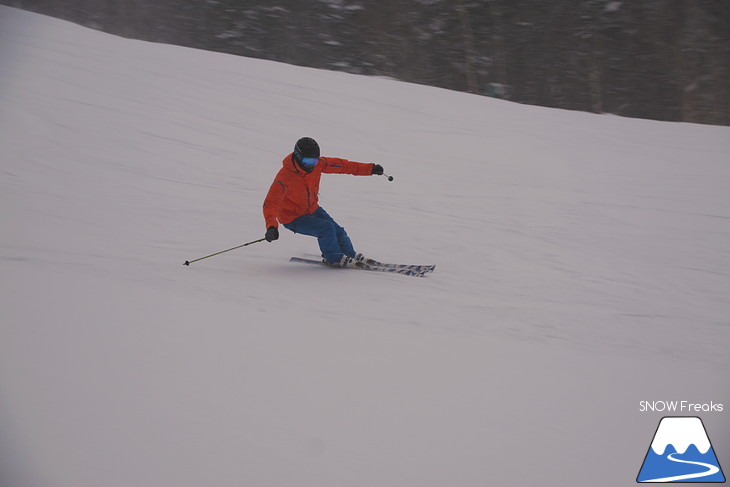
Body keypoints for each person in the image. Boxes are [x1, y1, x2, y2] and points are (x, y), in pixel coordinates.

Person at [263, 137, 384, 266]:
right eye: (307, 161)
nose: (311, 165)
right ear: (298, 157)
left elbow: (343, 166)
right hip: (293, 218)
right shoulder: (284, 178)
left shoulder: (318, 165)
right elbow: (270, 204)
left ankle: (349, 253)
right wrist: (271, 227)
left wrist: (370, 169)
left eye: (314, 161)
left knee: (338, 231)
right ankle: (334, 258)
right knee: (326, 229)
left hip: (312, 209)